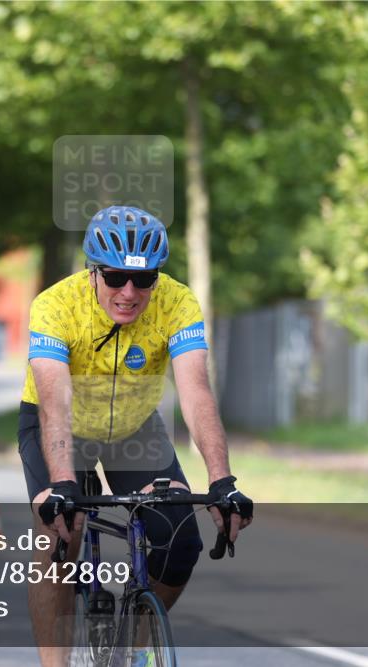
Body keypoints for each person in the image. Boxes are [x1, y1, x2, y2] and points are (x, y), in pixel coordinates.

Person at [19, 206, 253, 666]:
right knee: (60, 538)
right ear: (93, 272)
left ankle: (135, 647)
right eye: (115, 278)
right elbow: (54, 397)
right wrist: (64, 483)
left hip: (133, 427)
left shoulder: (178, 303)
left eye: (143, 281)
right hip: (59, 423)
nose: (129, 292)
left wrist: (223, 481)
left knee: (181, 543)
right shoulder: (54, 305)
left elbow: (196, 391)